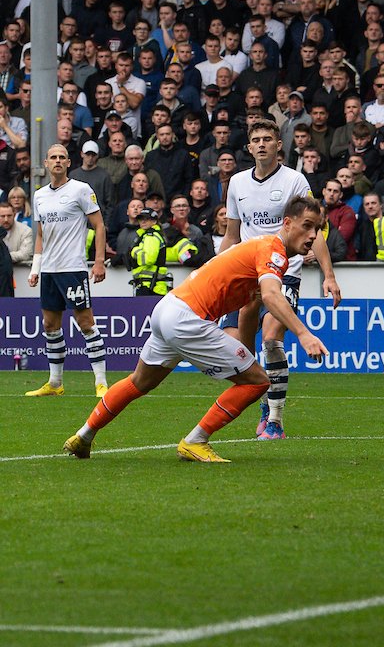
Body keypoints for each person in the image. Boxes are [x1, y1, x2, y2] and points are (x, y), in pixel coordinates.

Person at [63, 196, 329, 463]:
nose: (312, 235)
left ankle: (83, 435)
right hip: (188, 319)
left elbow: (250, 308)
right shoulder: (273, 251)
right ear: (287, 223)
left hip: (168, 308)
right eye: (307, 225)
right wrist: (303, 334)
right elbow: (271, 295)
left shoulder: (262, 248)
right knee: (258, 381)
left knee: (139, 381)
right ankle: (195, 441)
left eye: (317, 229)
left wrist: (246, 355)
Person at [220, 120, 341, 440]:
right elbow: (231, 234)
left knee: (272, 338)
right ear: (249, 147)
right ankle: (264, 396)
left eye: (267, 139)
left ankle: (275, 419)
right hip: (247, 272)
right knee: (236, 348)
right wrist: (214, 272)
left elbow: (313, 229)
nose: (261, 144)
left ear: (278, 145)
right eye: (256, 140)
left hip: (284, 271)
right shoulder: (237, 183)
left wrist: (329, 276)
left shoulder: (294, 180)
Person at [25, 144, 109, 398]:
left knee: (86, 323)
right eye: (53, 157)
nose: (58, 161)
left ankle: (101, 382)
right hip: (49, 270)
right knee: (50, 325)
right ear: (46, 163)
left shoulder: (81, 190)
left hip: (73, 267)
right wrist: (35, 268)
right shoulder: (39, 196)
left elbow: (99, 225)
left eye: (62, 157)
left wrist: (99, 261)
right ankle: (55, 382)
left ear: (69, 162)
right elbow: (40, 235)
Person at [127, 207, 171, 296]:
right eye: (141, 219)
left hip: (152, 287)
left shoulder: (151, 236)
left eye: (146, 219)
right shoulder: (145, 235)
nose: (143, 221)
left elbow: (148, 260)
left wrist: (135, 251)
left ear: (154, 221)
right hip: (148, 285)